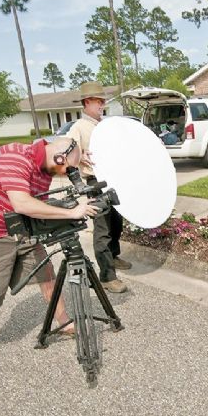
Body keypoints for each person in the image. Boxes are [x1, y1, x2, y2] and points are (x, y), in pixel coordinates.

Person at [0, 137, 100, 375]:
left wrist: (79, 162)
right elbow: (22, 204)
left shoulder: (45, 164)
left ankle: (64, 321)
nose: (66, 173)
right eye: (66, 167)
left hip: (21, 230)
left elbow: (38, 197)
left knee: (46, 275)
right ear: (58, 156)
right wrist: (72, 211)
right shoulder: (13, 158)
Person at [66, 81, 131, 294]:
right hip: (95, 183)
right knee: (102, 229)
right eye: (98, 100)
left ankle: (113, 255)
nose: (102, 103)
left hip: (113, 180)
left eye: (103, 100)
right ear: (87, 102)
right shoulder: (78, 127)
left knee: (116, 222)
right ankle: (107, 277)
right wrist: (79, 155)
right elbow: (66, 155)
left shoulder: (104, 124)